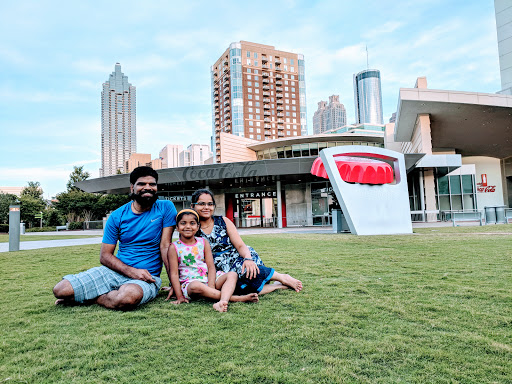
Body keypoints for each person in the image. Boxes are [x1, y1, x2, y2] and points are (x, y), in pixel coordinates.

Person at [52, 166, 177, 310]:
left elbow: (165, 246)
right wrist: (131, 271)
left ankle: (92, 298)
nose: (147, 187)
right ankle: (103, 295)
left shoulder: (166, 208)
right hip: (115, 272)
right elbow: (105, 256)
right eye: (142, 184)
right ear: (132, 188)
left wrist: (175, 284)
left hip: (147, 277)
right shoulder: (117, 216)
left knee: (127, 298)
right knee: (61, 290)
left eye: (152, 184)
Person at [191, 189, 303, 295]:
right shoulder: (191, 227)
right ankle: (277, 286)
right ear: (193, 206)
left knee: (248, 270)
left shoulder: (223, 221)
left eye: (210, 204)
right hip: (216, 267)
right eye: (201, 203)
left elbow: (240, 245)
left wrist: (248, 259)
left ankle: (282, 277)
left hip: (237, 256)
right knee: (237, 288)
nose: (206, 207)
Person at [167, 209, 258, 312]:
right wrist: (179, 296)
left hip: (208, 278)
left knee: (232, 274)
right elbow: (174, 273)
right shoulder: (174, 247)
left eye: (192, 223)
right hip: (190, 283)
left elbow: (210, 266)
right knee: (195, 286)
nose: (188, 226)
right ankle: (238, 298)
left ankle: (222, 302)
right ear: (177, 228)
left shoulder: (203, 242)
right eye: (183, 223)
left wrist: (211, 286)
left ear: (197, 227)